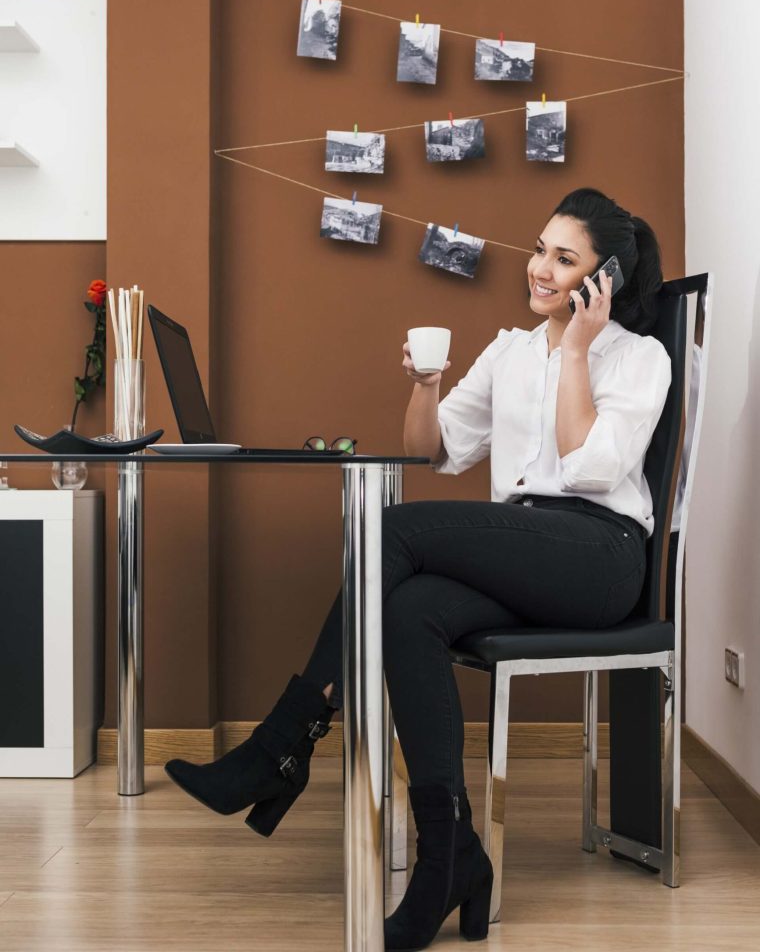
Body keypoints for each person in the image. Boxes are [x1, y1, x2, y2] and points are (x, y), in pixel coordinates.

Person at [165, 187, 672, 950]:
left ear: (604, 283)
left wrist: (575, 349)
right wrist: (426, 386)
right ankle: (451, 856)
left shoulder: (640, 357)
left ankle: (280, 752)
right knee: (410, 612)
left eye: (564, 260)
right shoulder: (507, 349)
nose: (539, 269)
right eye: (539, 249)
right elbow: (430, 450)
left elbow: (590, 466)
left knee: (393, 531)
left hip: (599, 559)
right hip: (526, 550)